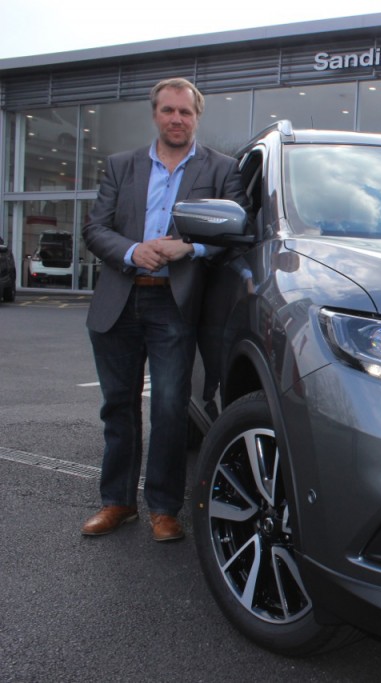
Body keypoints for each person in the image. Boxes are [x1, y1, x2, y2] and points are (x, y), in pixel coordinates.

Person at [80, 77, 245, 542]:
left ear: (198, 116)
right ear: (155, 114)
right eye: (168, 110)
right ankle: (116, 503)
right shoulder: (121, 166)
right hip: (120, 298)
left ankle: (164, 508)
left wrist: (186, 248)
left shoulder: (221, 169)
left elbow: (233, 230)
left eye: (185, 112)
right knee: (118, 407)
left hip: (175, 303)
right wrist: (134, 251)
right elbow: (95, 229)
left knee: (171, 410)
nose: (177, 119)